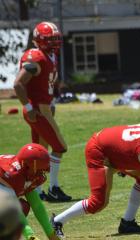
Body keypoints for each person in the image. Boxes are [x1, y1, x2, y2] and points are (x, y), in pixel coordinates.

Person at [50, 121, 140, 237]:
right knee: (98, 202)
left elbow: (138, 145)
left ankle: (127, 223)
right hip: (100, 150)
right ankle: (57, 221)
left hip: (114, 145)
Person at [13, 21, 71, 202]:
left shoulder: (49, 55)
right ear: (39, 40)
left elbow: (46, 83)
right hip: (37, 110)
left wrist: (51, 100)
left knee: (39, 152)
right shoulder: (35, 56)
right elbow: (18, 84)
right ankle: (53, 188)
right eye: (50, 39)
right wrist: (29, 107)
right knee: (60, 147)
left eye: (56, 39)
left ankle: (35, 191)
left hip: (43, 107)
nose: (54, 43)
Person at [0, 144, 60, 240]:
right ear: (27, 166)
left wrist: (51, 234)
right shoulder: (12, 175)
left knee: (23, 207)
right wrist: (30, 236)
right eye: (39, 170)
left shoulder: (24, 171)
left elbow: (37, 206)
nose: (41, 173)